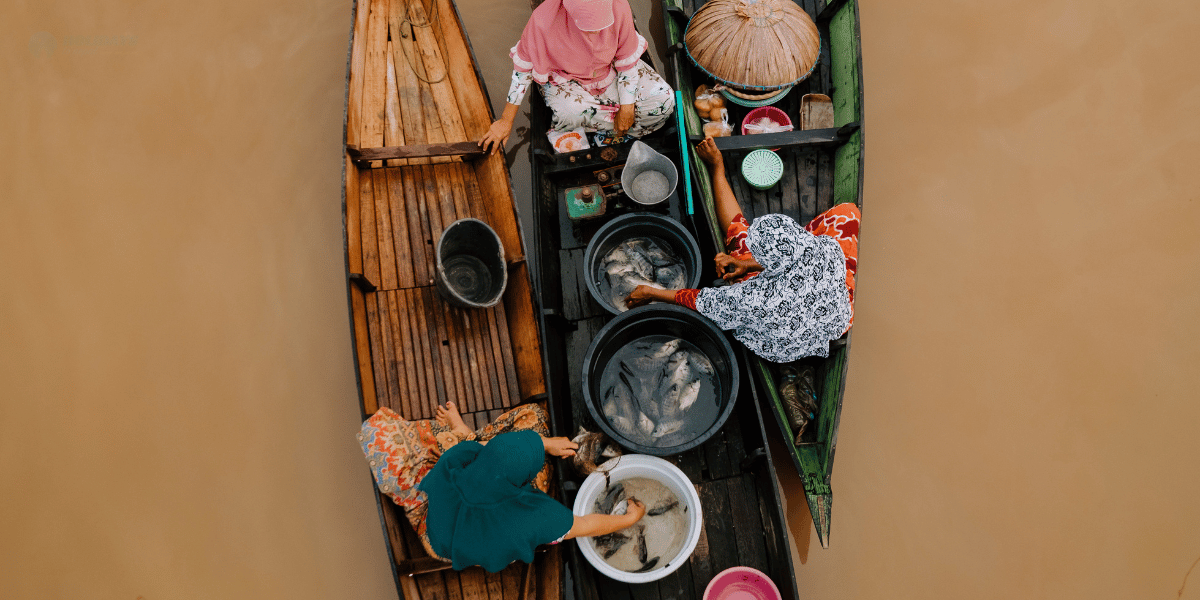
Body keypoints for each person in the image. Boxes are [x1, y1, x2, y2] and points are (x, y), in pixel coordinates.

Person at [625, 137, 861, 363]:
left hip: (783, 344)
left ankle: (718, 170)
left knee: (740, 238)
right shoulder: (818, 252)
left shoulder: (751, 299)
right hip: (835, 318)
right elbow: (789, 264)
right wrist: (748, 265)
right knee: (849, 213)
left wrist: (650, 293)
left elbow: (700, 301)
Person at [358, 401, 646, 572]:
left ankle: (463, 431)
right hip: (448, 543)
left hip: (439, 515)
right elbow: (585, 524)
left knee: (456, 447)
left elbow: (484, 449)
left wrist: (542, 445)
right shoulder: (535, 517)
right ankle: (467, 432)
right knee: (534, 415)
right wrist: (629, 518)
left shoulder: (458, 462)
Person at [478, 0, 675, 155]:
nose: (597, 33)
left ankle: (605, 131)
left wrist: (627, 106)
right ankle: (608, 130)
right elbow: (523, 71)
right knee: (570, 112)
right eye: (589, 27)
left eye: (601, 25)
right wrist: (506, 120)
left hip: (610, 70)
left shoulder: (618, 6)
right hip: (567, 79)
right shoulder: (542, 22)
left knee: (664, 100)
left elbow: (626, 62)